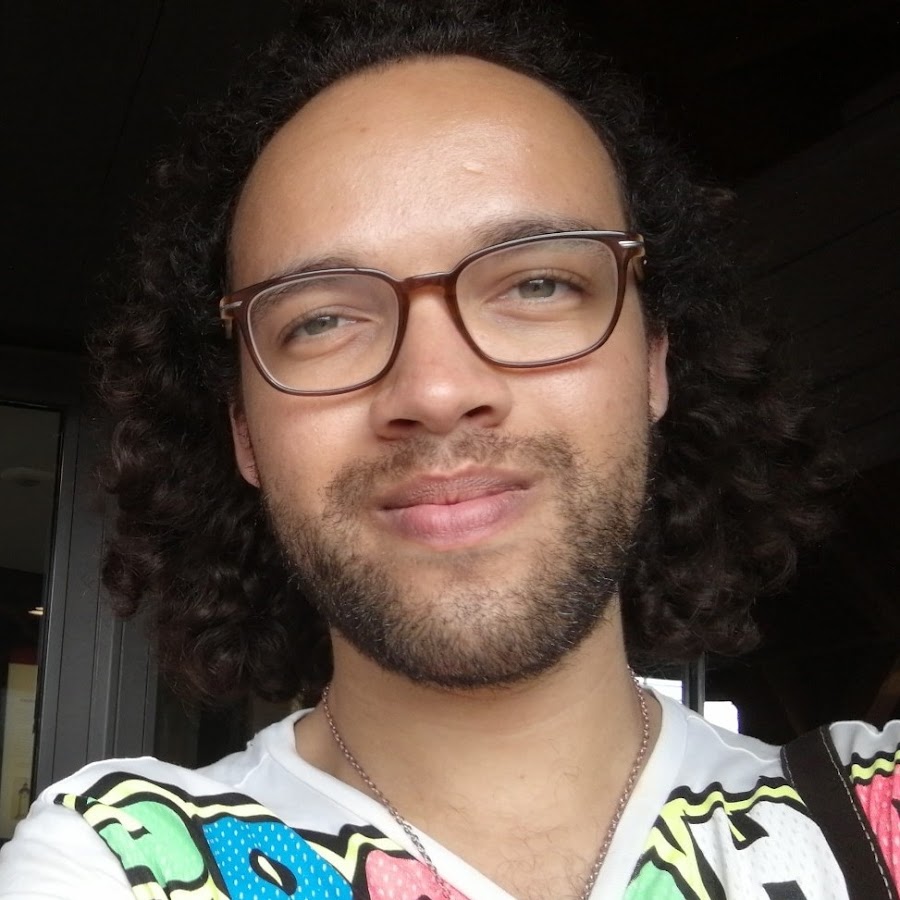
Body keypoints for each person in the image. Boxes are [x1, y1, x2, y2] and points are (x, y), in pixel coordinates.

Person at [1, 1, 897, 898]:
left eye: (537, 283)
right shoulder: (120, 863)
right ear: (244, 430)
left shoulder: (872, 819)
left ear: (655, 360)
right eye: (322, 320)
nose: (434, 391)